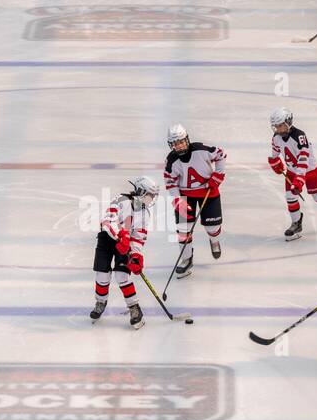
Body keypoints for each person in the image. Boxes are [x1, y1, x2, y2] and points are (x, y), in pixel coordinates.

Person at [267, 106, 317, 241]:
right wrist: (275, 162)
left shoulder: (300, 136)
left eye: (280, 126)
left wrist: (299, 180)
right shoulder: (276, 138)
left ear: (288, 122)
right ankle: (296, 223)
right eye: (276, 126)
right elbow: (275, 152)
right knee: (290, 197)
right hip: (292, 172)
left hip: (309, 171)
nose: (278, 129)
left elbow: (303, 160)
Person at [90, 176, 158, 329]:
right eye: (150, 195)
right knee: (102, 274)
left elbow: (138, 236)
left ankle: (134, 307)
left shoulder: (145, 213)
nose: (152, 199)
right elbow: (107, 222)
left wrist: (135, 254)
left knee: (122, 275)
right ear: (140, 191)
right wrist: (120, 235)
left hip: (125, 244)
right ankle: (101, 301)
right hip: (107, 239)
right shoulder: (121, 200)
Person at [163, 124, 226, 279]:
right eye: (175, 143)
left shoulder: (200, 150)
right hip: (185, 195)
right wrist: (178, 200)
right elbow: (170, 182)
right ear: (171, 145)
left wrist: (218, 176)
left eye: (181, 141)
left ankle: (214, 240)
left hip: (208, 191)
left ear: (187, 139)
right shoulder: (171, 160)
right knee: (183, 230)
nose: (179, 145)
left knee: (213, 226)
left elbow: (221, 155)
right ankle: (186, 258)